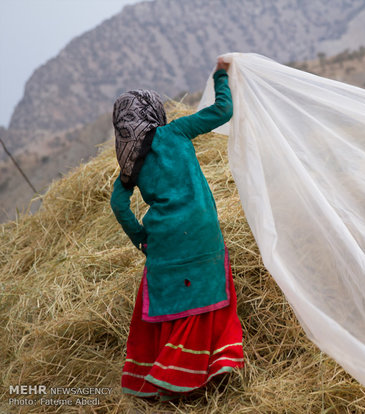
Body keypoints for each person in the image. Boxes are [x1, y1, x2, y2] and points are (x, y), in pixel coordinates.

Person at [110, 58, 243, 401]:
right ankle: (217, 365)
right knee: (211, 295)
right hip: (202, 230)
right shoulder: (178, 131)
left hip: (164, 242)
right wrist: (221, 74)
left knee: (168, 303)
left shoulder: (131, 164)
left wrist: (141, 238)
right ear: (155, 112)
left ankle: (169, 377)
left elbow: (118, 205)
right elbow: (223, 110)